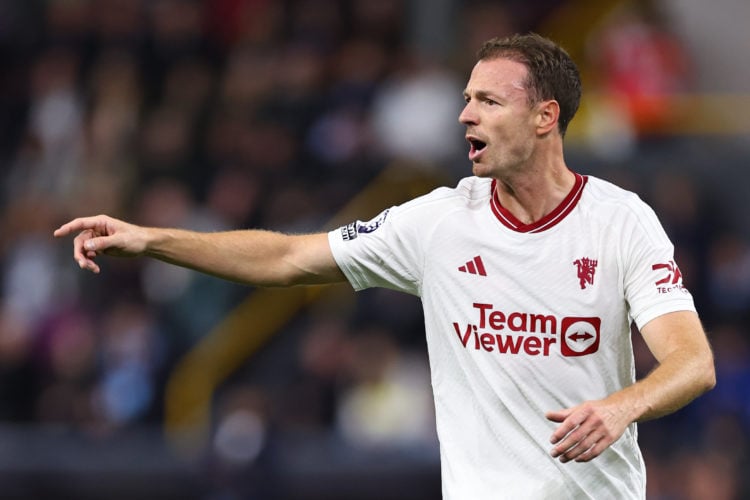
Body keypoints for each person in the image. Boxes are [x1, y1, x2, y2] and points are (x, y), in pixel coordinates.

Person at [54, 33, 715, 499]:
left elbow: (692, 363)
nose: (464, 114)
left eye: (488, 100)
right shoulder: (438, 221)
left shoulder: (620, 221)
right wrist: (152, 239)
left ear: (545, 117)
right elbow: (287, 257)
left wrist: (619, 409)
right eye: (465, 98)